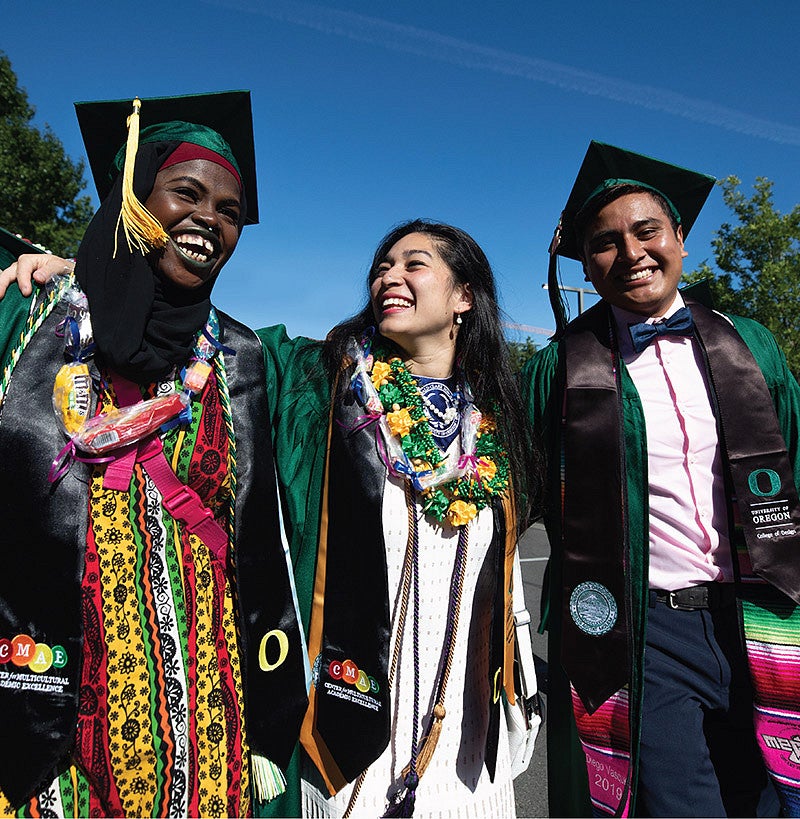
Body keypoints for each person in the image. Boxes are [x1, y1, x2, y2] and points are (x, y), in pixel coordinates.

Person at [0, 93, 307, 818]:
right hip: (45, 709)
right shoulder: (27, 320)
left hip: (205, 716)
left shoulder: (245, 355)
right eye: (187, 193)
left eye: (230, 210)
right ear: (132, 201)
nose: (211, 220)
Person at [522, 141, 800, 818]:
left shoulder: (750, 342)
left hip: (765, 612)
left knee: (768, 795)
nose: (632, 252)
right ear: (586, 261)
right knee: (682, 804)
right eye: (606, 242)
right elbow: (518, 488)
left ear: (679, 238)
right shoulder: (561, 368)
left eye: (647, 231)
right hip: (646, 631)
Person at [254, 219, 542, 817]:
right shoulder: (325, 387)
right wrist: (100, 284)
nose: (390, 275)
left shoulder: (494, 417)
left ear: (464, 297)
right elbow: (220, 345)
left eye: (414, 264)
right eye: (383, 266)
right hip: (351, 711)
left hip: (465, 722)